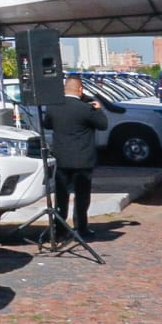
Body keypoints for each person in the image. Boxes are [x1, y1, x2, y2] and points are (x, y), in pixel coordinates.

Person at [45, 76, 107, 236]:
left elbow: (47, 124)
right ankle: (81, 227)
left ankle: (59, 228)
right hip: (82, 159)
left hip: (61, 157)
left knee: (61, 195)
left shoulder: (53, 108)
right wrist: (98, 108)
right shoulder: (86, 109)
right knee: (81, 196)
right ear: (80, 90)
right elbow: (103, 124)